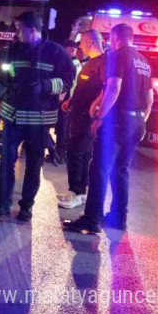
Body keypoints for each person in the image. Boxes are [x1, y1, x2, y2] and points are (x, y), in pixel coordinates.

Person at [0, 11, 75, 221]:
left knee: (33, 165)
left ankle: (26, 207)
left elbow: (69, 79)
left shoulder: (56, 52)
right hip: (13, 116)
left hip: (38, 120)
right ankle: (3, 204)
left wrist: (45, 86)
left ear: (32, 30)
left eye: (19, 28)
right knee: (7, 162)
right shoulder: (14, 49)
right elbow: (3, 76)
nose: (17, 32)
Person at [64, 24, 153, 233]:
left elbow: (114, 87)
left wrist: (100, 117)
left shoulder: (117, 56)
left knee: (99, 170)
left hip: (118, 122)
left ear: (115, 38)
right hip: (137, 122)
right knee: (121, 170)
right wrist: (142, 121)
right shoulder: (145, 62)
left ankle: (91, 220)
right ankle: (118, 218)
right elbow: (150, 98)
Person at [58, 30, 106, 209]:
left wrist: (95, 109)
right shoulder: (90, 62)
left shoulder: (103, 62)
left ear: (90, 42)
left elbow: (106, 89)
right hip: (78, 113)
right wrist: (71, 100)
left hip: (87, 116)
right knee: (81, 153)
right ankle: (79, 191)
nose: (79, 46)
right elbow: (83, 88)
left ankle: (76, 191)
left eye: (82, 43)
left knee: (77, 153)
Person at [52, 40, 84, 162]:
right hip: (71, 100)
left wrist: (60, 98)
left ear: (71, 50)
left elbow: (68, 83)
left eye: (64, 49)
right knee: (63, 127)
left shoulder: (71, 64)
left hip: (66, 100)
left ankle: (60, 154)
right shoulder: (77, 63)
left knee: (62, 127)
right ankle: (60, 153)